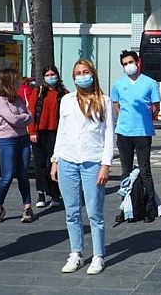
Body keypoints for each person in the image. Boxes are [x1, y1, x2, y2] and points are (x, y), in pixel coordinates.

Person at [50, 59, 114, 275]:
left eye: (86, 72)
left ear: (93, 74)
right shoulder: (66, 100)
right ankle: (76, 252)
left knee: (95, 212)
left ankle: (98, 255)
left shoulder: (104, 101)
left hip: (92, 162)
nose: (82, 76)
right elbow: (62, 131)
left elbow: (108, 135)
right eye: (78, 72)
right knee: (72, 211)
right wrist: (55, 159)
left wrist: (106, 164)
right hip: (68, 160)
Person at [112, 50, 161, 223]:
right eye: (125, 64)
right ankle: (126, 207)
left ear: (138, 62)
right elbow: (116, 106)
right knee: (125, 172)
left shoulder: (150, 83)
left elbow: (156, 107)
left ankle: (149, 207)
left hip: (143, 132)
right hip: (124, 133)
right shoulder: (118, 84)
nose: (128, 66)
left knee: (145, 170)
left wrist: (144, 119)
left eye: (130, 62)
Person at [0, 68, 34, 225]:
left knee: (23, 174)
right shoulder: (0, 101)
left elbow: (30, 116)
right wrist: (23, 117)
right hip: (7, 140)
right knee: (7, 176)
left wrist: (22, 117)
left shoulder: (18, 99)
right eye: (15, 81)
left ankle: (27, 206)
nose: (18, 84)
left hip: (23, 139)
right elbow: (14, 119)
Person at [28, 65, 68, 209]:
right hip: (39, 132)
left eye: (53, 74)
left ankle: (55, 194)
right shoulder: (38, 92)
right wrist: (32, 131)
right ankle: (41, 193)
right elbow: (31, 112)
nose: (51, 77)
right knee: (40, 164)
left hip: (56, 133)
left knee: (53, 163)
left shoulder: (64, 93)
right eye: (48, 75)